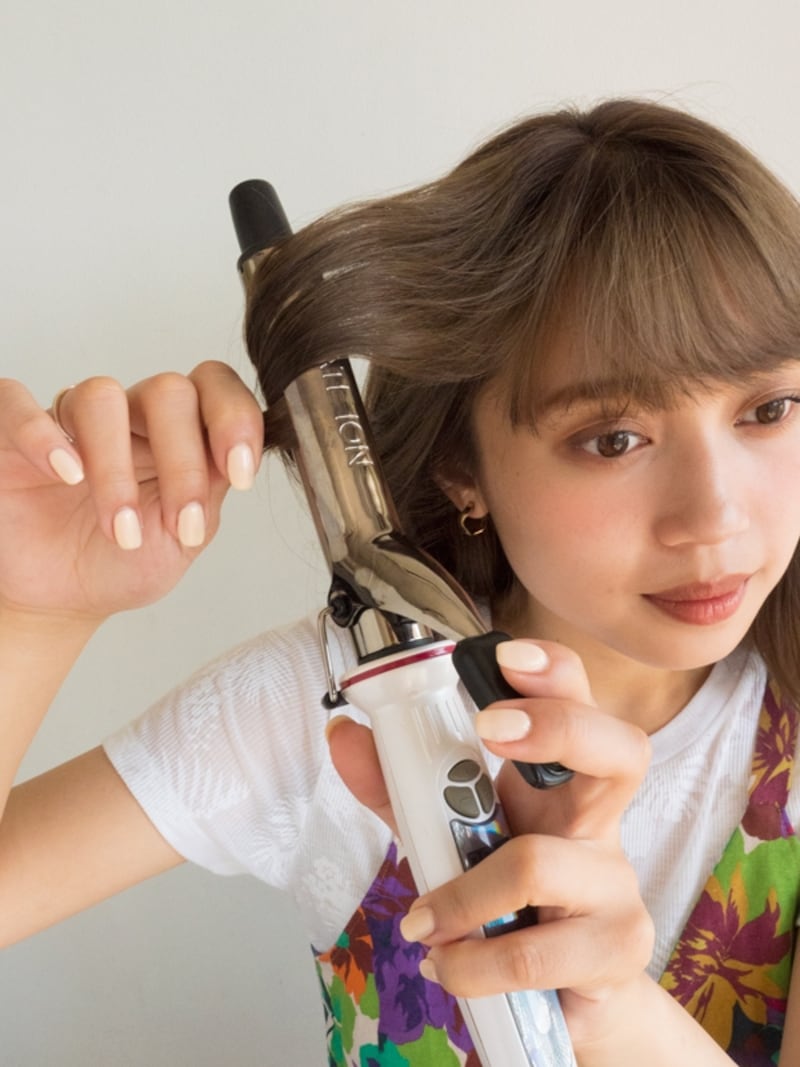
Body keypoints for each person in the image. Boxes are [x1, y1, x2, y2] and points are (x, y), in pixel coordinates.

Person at [1, 97, 799, 1066]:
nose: (714, 514)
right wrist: (32, 609)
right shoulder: (340, 707)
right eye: (613, 437)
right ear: (462, 466)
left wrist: (606, 1007)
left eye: (768, 408)